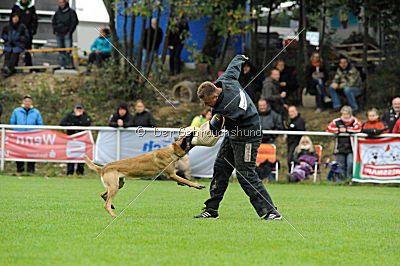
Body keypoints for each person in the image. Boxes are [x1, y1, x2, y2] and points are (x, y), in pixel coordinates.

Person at [194, 55, 281, 220]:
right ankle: (212, 209)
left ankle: (270, 211)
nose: (207, 106)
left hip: (248, 134)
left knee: (245, 173)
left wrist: (200, 134)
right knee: (221, 168)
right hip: (235, 132)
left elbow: (216, 129)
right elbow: (234, 66)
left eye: (208, 103)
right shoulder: (225, 80)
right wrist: (241, 57)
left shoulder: (228, 107)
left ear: (215, 96)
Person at [326, 106, 361, 180]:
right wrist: (339, 130)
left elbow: (358, 128)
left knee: (350, 163)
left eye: (347, 114)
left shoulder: (355, 121)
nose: (345, 116)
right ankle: (341, 181)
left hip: (351, 147)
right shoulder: (336, 121)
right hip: (339, 147)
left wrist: (346, 130)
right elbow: (329, 128)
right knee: (340, 165)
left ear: (350, 114)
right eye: (343, 114)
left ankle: (349, 179)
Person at [10, 94, 43, 173]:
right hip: (19, 137)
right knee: (19, 154)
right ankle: (20, 170)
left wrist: (35, 133)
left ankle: (30, 171)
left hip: (32, 137)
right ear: (23, 102)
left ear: (31, 102)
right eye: (26, 101)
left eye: (29, 101)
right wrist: (17, 132)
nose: (27, 102)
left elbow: (40, 124)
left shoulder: (36, 112)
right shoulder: (16, 111)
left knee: (31, 154)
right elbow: (12, 123)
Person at [60, 103, 92, 175]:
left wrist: (77, 120)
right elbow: (62, 123)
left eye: (80, 109)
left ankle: (80, 173)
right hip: (71, 140)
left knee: (81, 157)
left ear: (83, 110)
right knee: (71, 156)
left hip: (82, 141)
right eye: (77, 109)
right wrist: (74, 123)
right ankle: (69, 173)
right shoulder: (69, 115)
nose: (78, 110)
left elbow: (87, 123)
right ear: (74, 109)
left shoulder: (86, 116)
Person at [52, 0, 78, 68]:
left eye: (62, 2)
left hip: (67, 33)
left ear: (65, 3)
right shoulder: (57, 12)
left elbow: (74, 22)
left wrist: (70, 31)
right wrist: (55, 30)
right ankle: (62, 65)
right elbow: (53, 21)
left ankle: (69, 65)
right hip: (58, 33)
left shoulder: (71, 12)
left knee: (67, 50)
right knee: (60, 50)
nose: (61, 4)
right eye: (59, 3)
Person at [11, 0, 38, 66]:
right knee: (16, 49)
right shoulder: (16, 7)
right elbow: (11, 20)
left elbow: (34, 20)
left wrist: (32, 31)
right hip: (17, 33)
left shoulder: (31, 8)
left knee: (28, 49)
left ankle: (28, 65)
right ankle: (14, 65)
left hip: (27, 33)